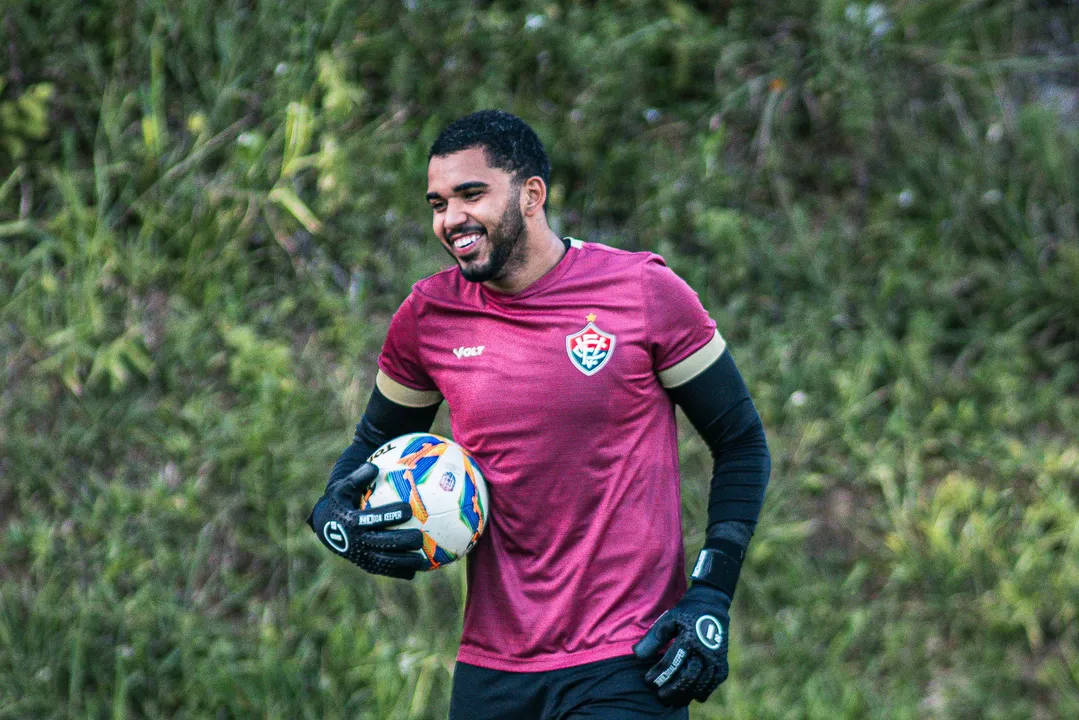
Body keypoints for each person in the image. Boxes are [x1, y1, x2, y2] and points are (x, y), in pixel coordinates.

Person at [308, 110, 771, 719]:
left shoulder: (642, 292)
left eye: (471, 194)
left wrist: (710, 593)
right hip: (491, 671)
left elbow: (740, 442)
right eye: (438, 202)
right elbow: (373, 441)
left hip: (627, 662)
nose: (451, 220)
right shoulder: (428, 316)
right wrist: (332, 517)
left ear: (532, 195)